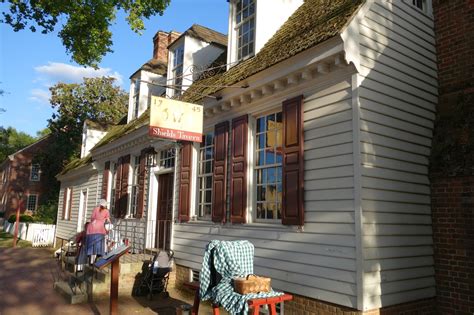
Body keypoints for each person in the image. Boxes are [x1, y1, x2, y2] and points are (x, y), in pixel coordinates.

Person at [86, 199, 110, 263]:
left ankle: (90, 261)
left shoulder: (95, 209)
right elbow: (108, 220)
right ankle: (99, 259)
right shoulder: (106, 211)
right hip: (100, 228)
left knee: (92, 245)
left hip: (92, 228)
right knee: (100, 244)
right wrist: (108, 227)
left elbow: (92, 218)